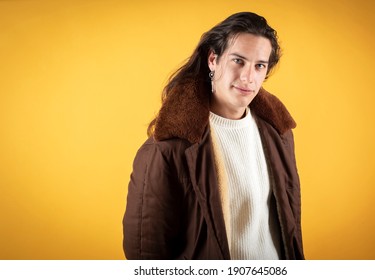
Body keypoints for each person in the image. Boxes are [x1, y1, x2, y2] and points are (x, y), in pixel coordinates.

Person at [123, 11, 304, 260]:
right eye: (238, 61)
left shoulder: (279, 133)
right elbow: (146, 253)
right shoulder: (168, 147)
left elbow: (288, 229)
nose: (248, 77)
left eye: (259, 65)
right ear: (213, 60)